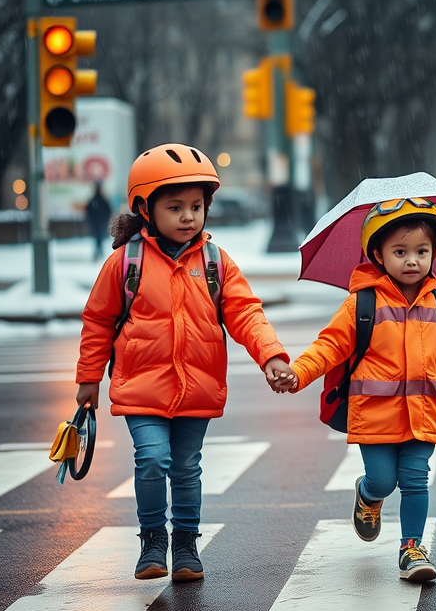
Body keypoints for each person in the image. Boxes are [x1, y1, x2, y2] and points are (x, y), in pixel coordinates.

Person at [74, 143, 296, 582]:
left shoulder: (214, 262)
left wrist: (270, 355)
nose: (188, 216)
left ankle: (186, 543)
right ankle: (153, 539)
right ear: (144, 208)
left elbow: (246, 312)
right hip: (142, 387)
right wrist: (88, 380)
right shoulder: (125, 263)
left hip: (197, 387)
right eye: (175, 207)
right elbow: (98, 321)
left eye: (196, 206)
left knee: (187, 468)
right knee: (152, 460)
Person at [276, 197, 436, 582]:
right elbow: (328, 346)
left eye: (421, 251)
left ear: (434, 253)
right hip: (374, 415)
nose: (412, 260)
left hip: (424, 415)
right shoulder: (362, 304)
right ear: (378, 254)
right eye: (400, 251)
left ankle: (411, 548)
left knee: (415, 479)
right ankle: (368, 495)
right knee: (382, 481)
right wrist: (298, 374)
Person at [85, 181, 113, 260]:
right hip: (98, 223)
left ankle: (98, 253)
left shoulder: (98, 200)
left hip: (99, 223)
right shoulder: (97, 200)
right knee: (98, 238)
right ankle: (99, 253)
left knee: (99, 238)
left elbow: (108, 211)